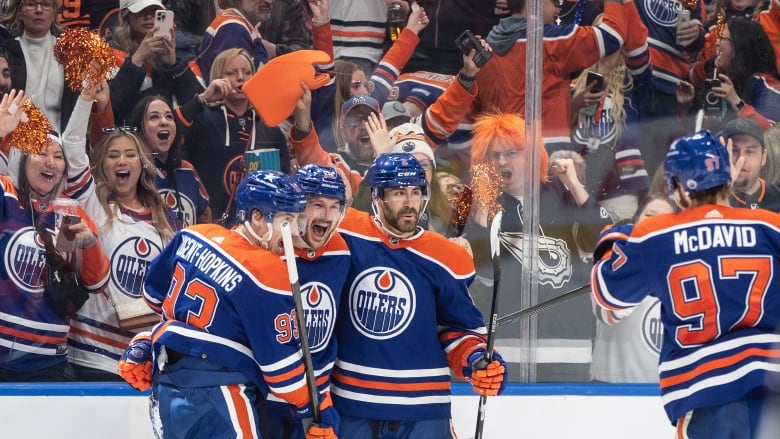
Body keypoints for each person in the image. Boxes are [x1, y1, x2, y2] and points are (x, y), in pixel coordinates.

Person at [592, 130, 780, 437]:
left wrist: (615, 237)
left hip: (706, 393)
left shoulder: (654, 235)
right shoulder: (771, 225)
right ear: (726, 177)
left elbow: (608, 293)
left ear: (678, 187)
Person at [127, 170, 336, 439]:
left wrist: (148, 338)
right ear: (257, 217)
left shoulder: (193, 236)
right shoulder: (267, 270)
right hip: (221, 395)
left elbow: (154, 295)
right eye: (286, 220)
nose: (294, 232)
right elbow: (282, 373)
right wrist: (316, 406)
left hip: (166, 389)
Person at [331, 152, 507, 438]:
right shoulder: (345, 233)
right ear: (377, 196)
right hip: (354, 406)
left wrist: (477, 360)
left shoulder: (446, 257)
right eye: (399, 192)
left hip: (424, 411)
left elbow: (458, 330)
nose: (410, 202)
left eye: (416, 192)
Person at [462, 112, 610, 381]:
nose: (502, 161)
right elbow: (479, 273)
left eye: (512, 152)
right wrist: (483, 204)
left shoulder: (560, 192)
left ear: (532, 156)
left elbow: (603, 242)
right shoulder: (476, 202)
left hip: (569, 344)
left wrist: (575, 186)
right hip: (504, 347)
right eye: (494, 156)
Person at [0, 89, 110, 381]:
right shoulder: (7, 197)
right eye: (41, 152)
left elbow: (95, 282)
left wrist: (90, 245)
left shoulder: (67, 213)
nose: (51, 162)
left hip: (46, 358)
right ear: (23, 160)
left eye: (58, 156)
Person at [473, 0, 632, 155]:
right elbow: (612, 36)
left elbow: (468, 118)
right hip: (549, 153)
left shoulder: (483, 50)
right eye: (554, 3)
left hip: (501, 156)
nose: (558, 10)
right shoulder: (552, 41)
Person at [265, 164, 351, 439]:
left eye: (335, 206)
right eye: (318, 204)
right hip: (264, 402)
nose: (327, 215)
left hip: (317, 405)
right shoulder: (264, 252)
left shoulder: (341, 252)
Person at [176, 47, 290, 225]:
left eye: (247, 72)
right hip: (211, 226)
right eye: (231, 72)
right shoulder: (202, 118)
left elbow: (283, 180)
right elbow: (170, 135)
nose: (240, 78)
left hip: (258, 228)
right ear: (217, 77)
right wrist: (203, 98)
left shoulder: (269, 126)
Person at [589, 194, 675, 383]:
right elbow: (608, 313)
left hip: (665, 391)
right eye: (649, 216)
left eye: (665, 220)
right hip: (611, 386)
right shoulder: (612, 258)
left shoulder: (687, 267)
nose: (655, 224)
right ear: (636, 221)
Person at [128, 94, 212, 226]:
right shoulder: (132, 172)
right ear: (140, 130)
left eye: (169, 116)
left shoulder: (187, 169)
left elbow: (205, 220)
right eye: (154, 117)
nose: (164, 122)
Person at [106, 0, 190, 125]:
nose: (149, 17)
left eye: (154, 11)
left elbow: (185, 100)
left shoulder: (177, 49)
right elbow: (111, 108)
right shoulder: (109, 52)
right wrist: (137, 59)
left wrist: (171, 65)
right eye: (141, 12)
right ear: (125, 16)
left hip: (163, 132)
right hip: (126, 134)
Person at [0, 0, 78, 133]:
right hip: (15, 144)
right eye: (31, 4)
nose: (39, 10)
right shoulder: (5, 53)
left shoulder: (71, 54)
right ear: (19, 11)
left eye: (46, 5)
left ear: (54, 13)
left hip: (59, 147)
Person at [722, 117, 780, 211]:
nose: (741, 159)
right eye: (734, 150)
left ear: (763, 157)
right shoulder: (711, 198)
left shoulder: (777, 198)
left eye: (750, 152)